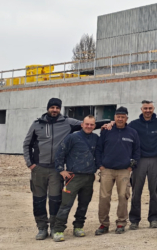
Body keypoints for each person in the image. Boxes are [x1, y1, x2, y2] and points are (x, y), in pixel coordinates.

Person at [22, 97, 113, 240]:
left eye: (57, 107)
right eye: (52, 107)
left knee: (55, 199)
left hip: (56, 170)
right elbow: (27, 144)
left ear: (60, 109)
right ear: (48, 108)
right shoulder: (36, 124)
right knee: (38, 199)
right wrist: (30, 163)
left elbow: (90, 125)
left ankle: (54, 228)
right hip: (39, 167)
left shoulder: (68, 122)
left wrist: (111, 122)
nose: (55, 110)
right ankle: (42, 228)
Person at [53, 115, 99, 242]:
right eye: (87, 124)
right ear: (82, 124)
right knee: (66, 204)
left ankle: (78, 226)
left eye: (91, 124)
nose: (89, 126)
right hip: (73, 177)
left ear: (95, 126)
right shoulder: (72, 137)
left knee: (84, 204)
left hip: (89, 177)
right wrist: (61, 170)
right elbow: (60, 153)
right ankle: (58, 230)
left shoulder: (96, 138)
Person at [95, 106, 141, 235]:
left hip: (124, 171)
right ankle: (104, 224)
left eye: (123, 117)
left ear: (126, 118)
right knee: (104, 197)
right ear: (114, 118)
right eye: (118, 116)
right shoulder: (106, 131)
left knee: (123, 196)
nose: (120, 119)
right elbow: (99, 149)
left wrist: (131, 167)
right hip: (107, 170)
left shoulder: (132, 132)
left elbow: (137, 151)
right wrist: (100, 165)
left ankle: (121, 223)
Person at [128, 100, 157, 230]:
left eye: (150, 108)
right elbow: (128, 138)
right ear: (141, 109)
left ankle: (153, 219)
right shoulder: (134, 124)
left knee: (154, 191)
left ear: (153, 109)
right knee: (136, 191)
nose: (148, 111)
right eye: (145, 108)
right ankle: (134, 220)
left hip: (155, 160)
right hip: (139, 161)